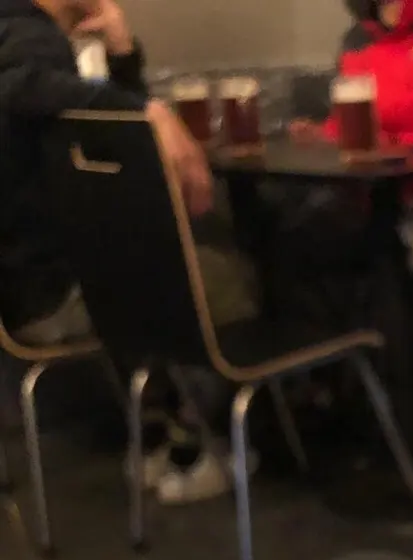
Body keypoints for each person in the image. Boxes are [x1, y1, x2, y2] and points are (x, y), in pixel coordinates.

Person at [0, 0, 256, 502]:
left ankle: (156, 442)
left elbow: (120, 143)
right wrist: (148, 109)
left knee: (138, 261)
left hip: (26, 295)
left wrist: (121, 53)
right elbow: (20, 84)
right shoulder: (28, 38)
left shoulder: (20, 33)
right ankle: (208, 447)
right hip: (58, 293)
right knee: (231, 273)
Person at [290, 0, 413, 272]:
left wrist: (393, 147)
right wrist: (321, 135)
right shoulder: (359, 39)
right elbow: (349, 124)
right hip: (365, 191)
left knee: (354, 240)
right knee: (296, 229)